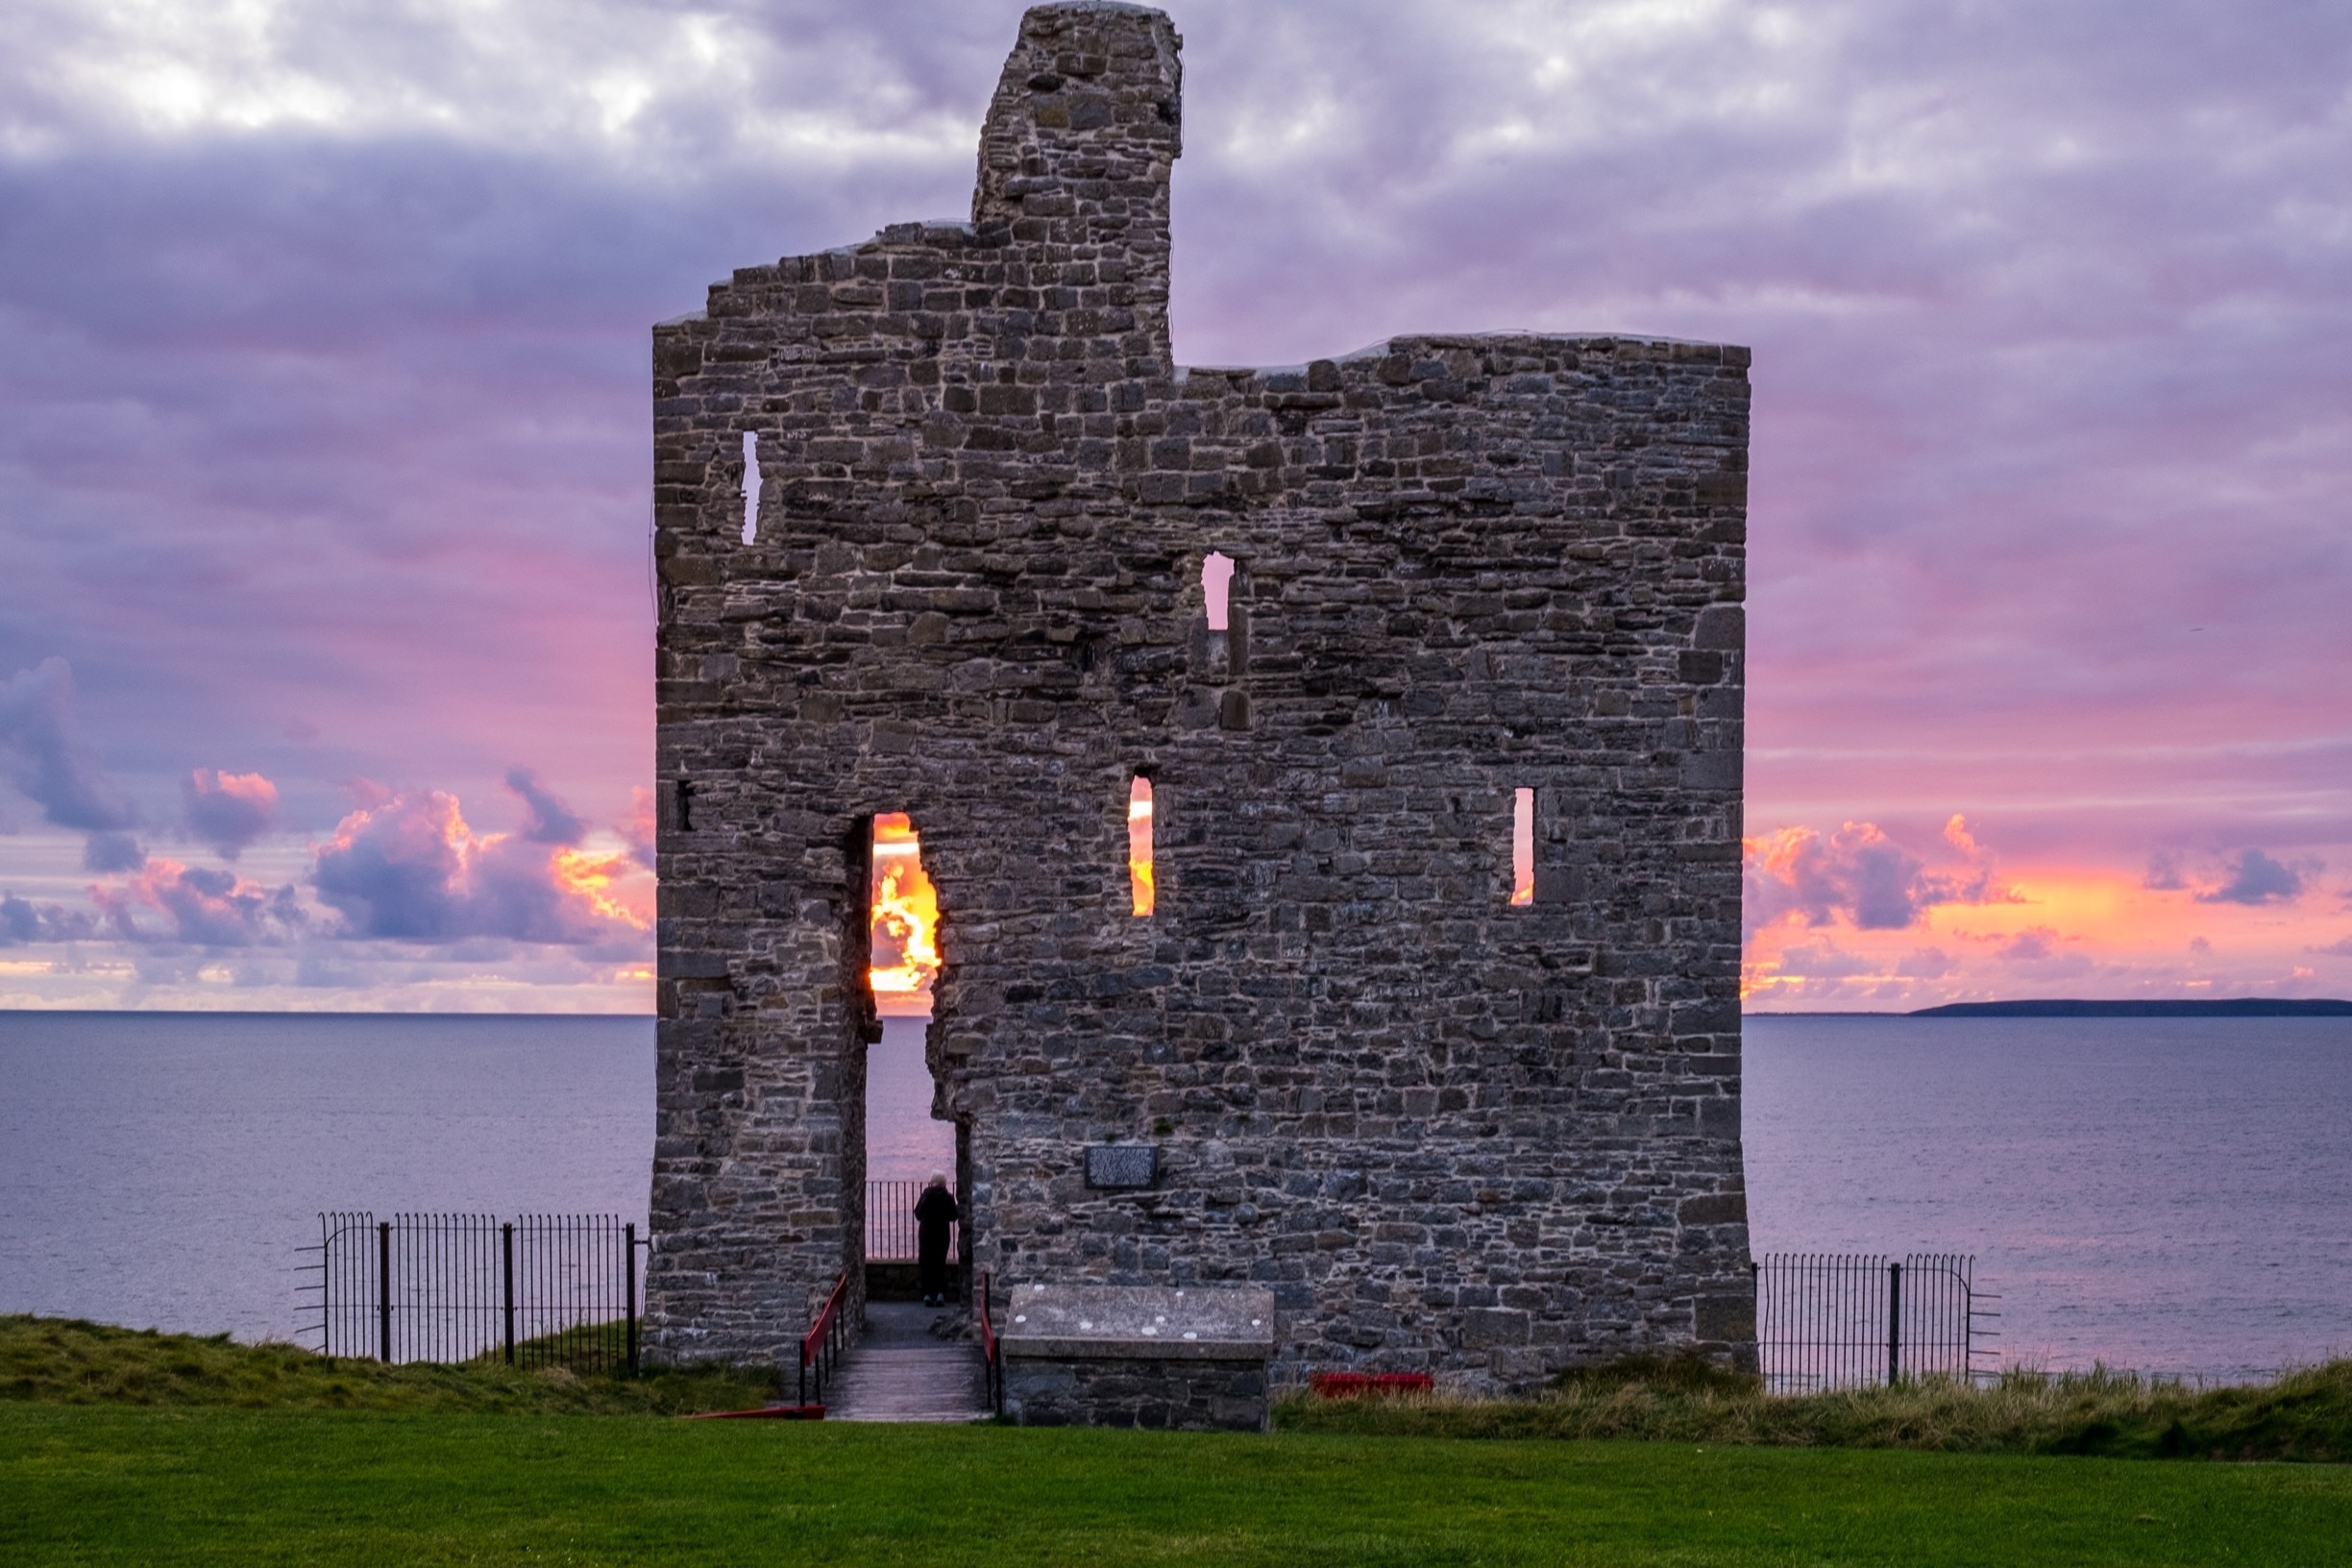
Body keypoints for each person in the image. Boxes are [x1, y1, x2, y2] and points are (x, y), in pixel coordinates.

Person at [913, 1172, 958, 1307]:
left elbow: (918, 1213)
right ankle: (940, 1294)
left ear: (932, 1181)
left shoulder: (926, 1195)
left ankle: (927, 1294)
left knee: (926, 1263)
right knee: (940, 1263)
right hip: (942, 1233)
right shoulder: (948, 1197)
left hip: (926, 1233)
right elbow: (954, 1216)